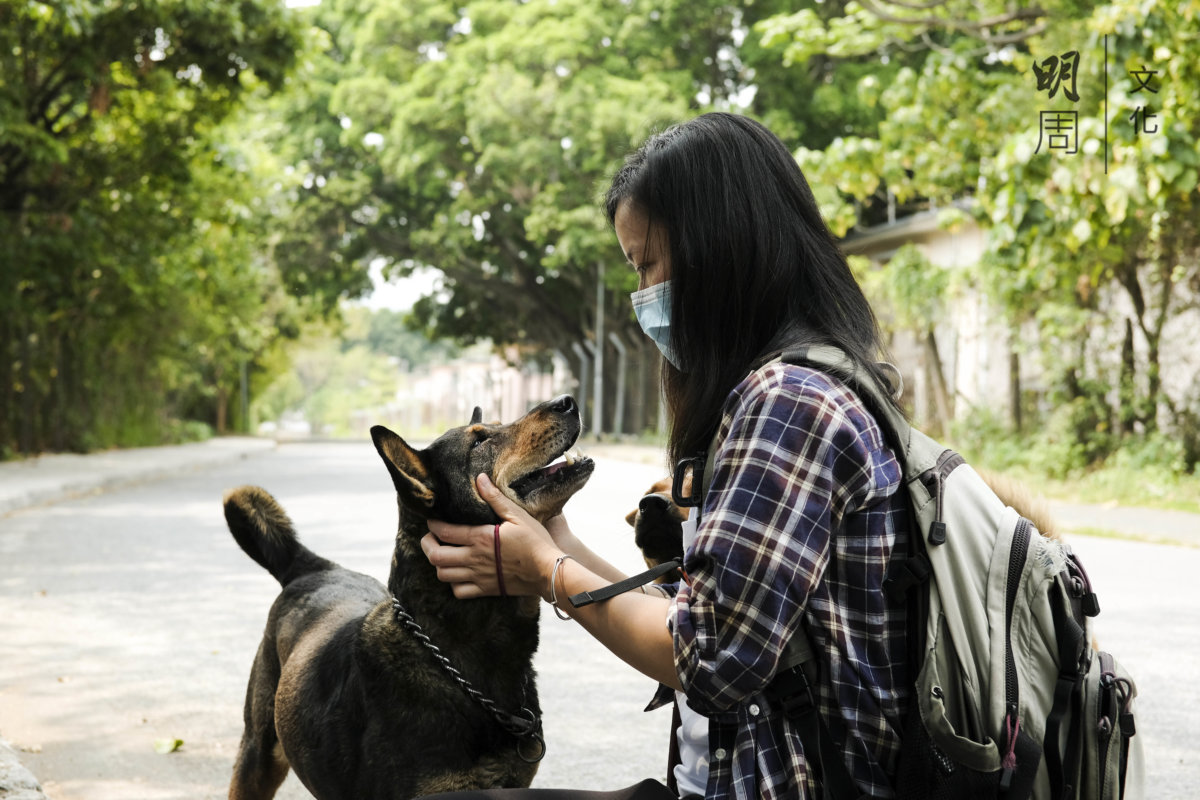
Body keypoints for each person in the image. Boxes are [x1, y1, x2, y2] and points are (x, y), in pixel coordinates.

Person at [422, 111, 912, 800]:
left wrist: (542, 569)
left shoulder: (788, 405)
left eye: (647, 263)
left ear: (721, 246)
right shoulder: (793, 386)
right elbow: (703, 615)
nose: (644, 294)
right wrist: (557, 540)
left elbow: (707, 659)